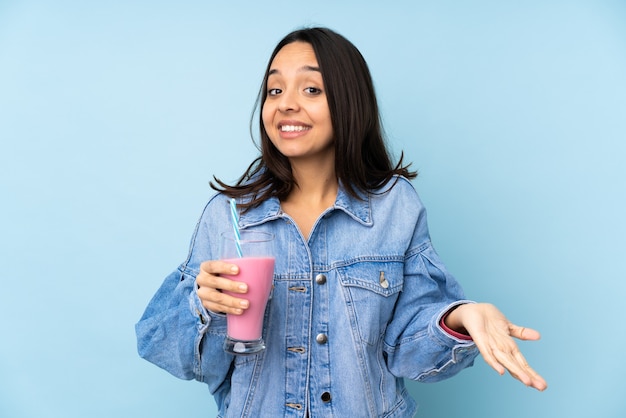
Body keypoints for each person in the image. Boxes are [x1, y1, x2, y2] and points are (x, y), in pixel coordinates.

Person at [135, 27, 547, 417]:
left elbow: (408, 345)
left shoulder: (395, 207)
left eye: (311, 89)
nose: (286, 103)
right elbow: (168, 349)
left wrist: (461, 317)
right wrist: (203, 306)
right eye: (274, 90)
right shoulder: (229, 215)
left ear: (349, 102)